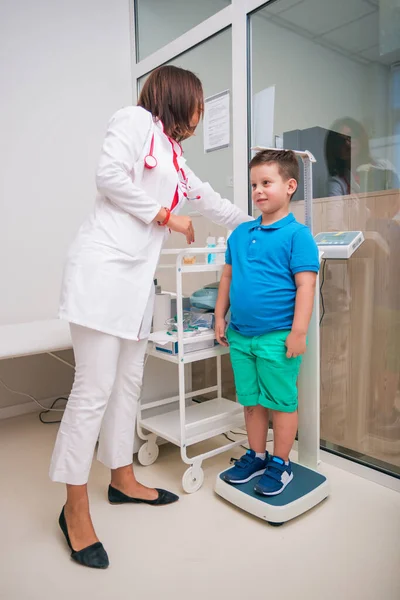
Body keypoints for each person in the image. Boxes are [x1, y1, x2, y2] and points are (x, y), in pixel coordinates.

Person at [50, 65, 252, 569]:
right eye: (199, 104)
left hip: (136, 284)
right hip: (102, 272)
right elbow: (108, 176)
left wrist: (265, 227)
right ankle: (74, 509)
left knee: (128, 383)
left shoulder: (176, 158)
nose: (202, 115)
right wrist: (165, 216)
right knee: (93, 388)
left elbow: (214, 203)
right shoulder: (134, 120)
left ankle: (121, 478)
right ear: (179, 97)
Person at [215, 149, 319, 495]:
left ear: (290, 186)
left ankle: (281, 463)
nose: (258, 190)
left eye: (266, 183)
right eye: (254, 184)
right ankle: (257, 455)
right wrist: (219, 315)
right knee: (251, 400)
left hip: (277, 337)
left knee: (280, 401)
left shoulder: (297, 235)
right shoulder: (240, 234)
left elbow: (307, 285)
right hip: (241, 336)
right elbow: (227, 278)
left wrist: (299, 333)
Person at [325, 117, 399, 197]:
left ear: (361, 138)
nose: (347, 143)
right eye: (341, 140)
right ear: (334, 148)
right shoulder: (337, 182)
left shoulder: (384, 166)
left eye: (351, 136)